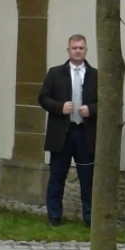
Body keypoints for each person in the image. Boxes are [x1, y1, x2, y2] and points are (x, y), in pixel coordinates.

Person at [38, 34, 98, 227]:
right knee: (57, 176)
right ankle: (54, 216)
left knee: (88, 179)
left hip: (85, 133)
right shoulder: (56, 73)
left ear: (86, 50)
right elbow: (43, 98)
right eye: (74, 48)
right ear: (68, 50)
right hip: (62, 132)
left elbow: (106, 102)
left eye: (81, 48)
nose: (78, 51)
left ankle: (89, 218)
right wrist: (60, 107)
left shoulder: (96, 75)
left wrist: (91, 109)